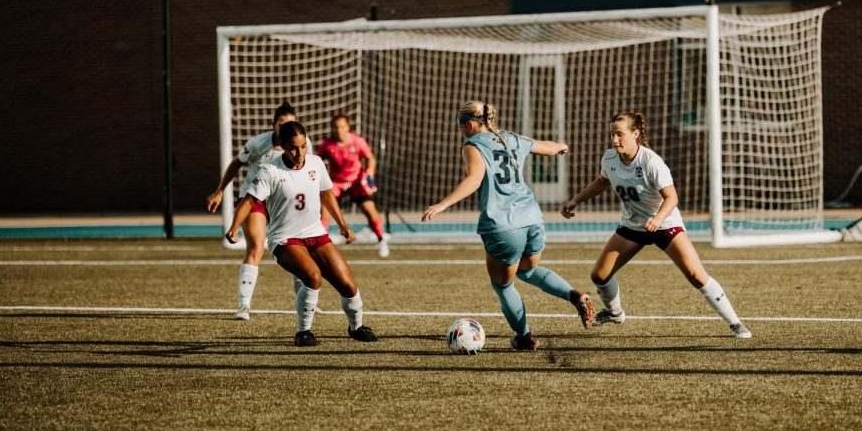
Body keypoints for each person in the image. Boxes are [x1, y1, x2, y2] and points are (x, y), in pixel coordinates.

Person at [560, 111, 752, 339]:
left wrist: (658, 218)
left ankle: (735, 323)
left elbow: (672, 197)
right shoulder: (610, 158)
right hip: (633, 226)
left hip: (665, 225)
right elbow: (603, 181)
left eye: (619, 134)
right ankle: (615, 313)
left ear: (635, 134)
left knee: (695, 274)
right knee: (599, 275)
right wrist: (576, 200)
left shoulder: (651, 161)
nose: (614, 140)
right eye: (612, 134)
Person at [422, 101, 595, 350]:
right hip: (533, 219)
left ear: (469, 124)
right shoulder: (511, 138)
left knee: (502, 284)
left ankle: (524, 338)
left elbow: (474, 178)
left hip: (503, 224)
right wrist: (561, 146)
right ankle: (575, 296)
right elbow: (544, 147)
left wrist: (443, 204)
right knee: (527, 270)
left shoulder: (472, 145)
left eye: (461, 127)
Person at [225, 121, 378, 346]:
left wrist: (343, 225)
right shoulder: (270, 170)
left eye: (303, 146)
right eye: (293, 148)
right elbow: (249, 200)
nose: (299, 153)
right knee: (313, 276)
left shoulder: (315, 163)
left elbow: (327, 194)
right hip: (285, 239)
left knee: (347, 284)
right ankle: (303, 332)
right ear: (283, 147)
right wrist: (234, 226)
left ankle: (356, 327)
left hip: (316, 234)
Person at [207, 101, 308, 320]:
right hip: (255, 198)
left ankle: (305, 302)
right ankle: (244, 306)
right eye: (282, 124)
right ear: (274, 125)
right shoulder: (257, 143)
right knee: (256, 247)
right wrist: (220, 191)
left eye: (291, 124)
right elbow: (236, 163)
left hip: (283, 201)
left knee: (298, 250)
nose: (286, 128)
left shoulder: (302, 145)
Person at [317, 113, 390, 257]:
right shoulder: (327, 144)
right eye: (336, 127)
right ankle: (321, 245)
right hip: (336, 183)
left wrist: (369, 173)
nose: (339, 130)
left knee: (370, 209)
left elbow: (370, 158)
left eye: (342, 127)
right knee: (325, 211)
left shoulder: (358, 141)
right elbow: (317, 161)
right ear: (332, 129)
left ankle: (382, 241)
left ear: (348, 127)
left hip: (356, 182)